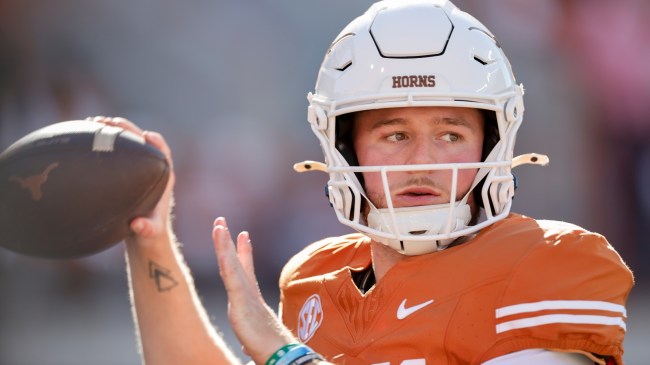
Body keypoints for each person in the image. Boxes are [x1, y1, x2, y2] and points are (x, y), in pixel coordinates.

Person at [107, 0, 634, 364]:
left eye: (450, 135)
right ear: (343, 147)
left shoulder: (550, 266)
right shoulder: (316, 283)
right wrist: (151, 242)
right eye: (394, 134)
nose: (422, 161)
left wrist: (282, 351)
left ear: (493, 144)